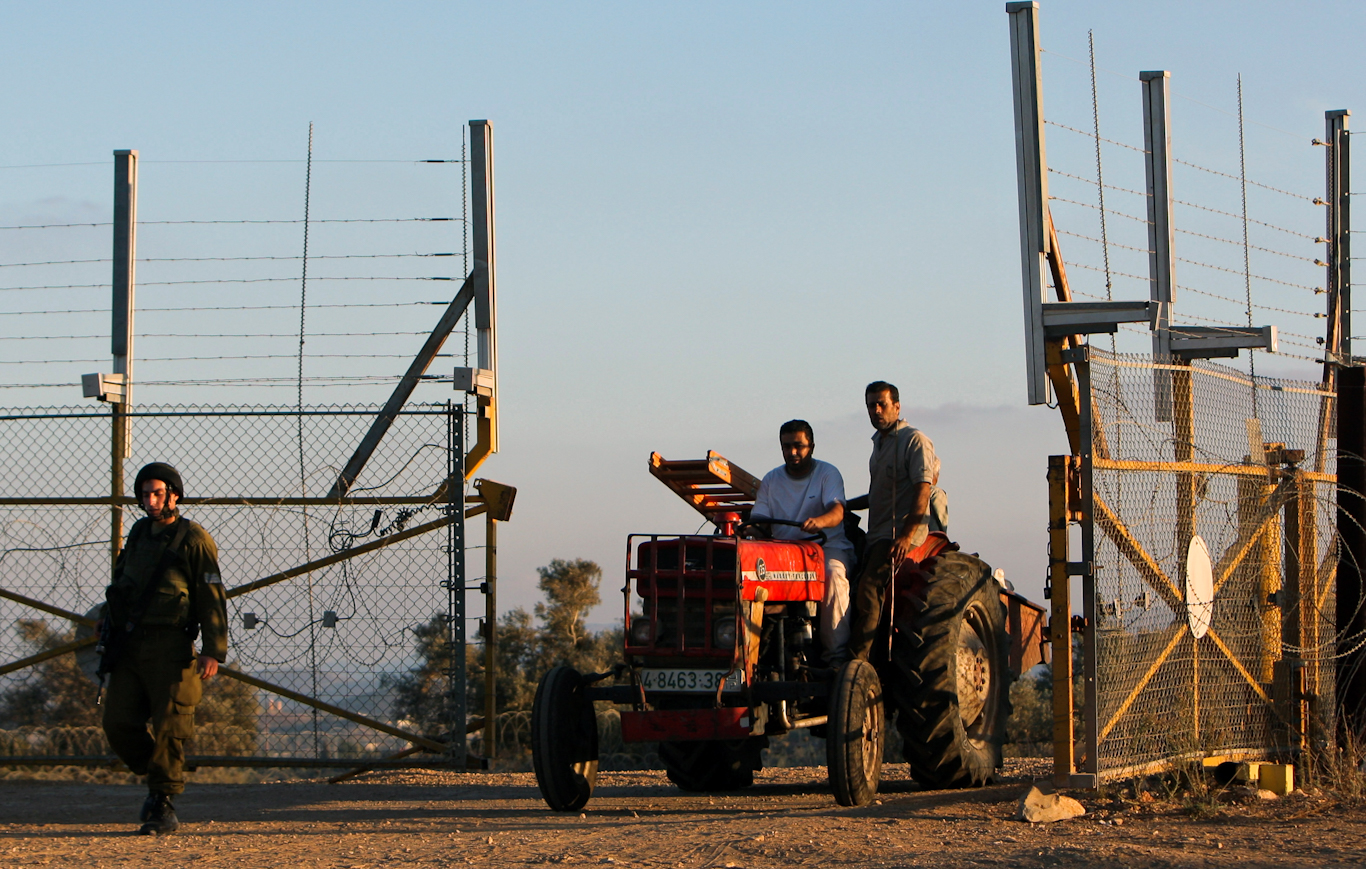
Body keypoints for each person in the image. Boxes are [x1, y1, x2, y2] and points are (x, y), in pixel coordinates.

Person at [100, 462, 228, 836]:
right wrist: (108, 619)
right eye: (144, 494)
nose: (150, 501)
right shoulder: (139, 533)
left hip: (171, 645)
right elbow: (123, 583)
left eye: (157, 493)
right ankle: (162, 770)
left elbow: (211, 594)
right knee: (118, 722)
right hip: (129, 643)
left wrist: (212, 649)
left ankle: (163, 800)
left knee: (171, 724)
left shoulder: (193, 538)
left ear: (174, 494)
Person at [846, 381, 949, 661]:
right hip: (875, 534)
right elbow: (877, 495)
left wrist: (905, 536)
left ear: (897, 406)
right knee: (848, 583)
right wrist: (841, 506)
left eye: (882, 404)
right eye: (871, 405)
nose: (876, 410)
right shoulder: (878, 444)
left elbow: (922, 490)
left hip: (898, 535)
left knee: (868, 589)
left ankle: (856, 662)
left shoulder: (914, 440)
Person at [751, 420, 855, 665]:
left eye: (799, 446)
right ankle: (754, 654)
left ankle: (835, 656)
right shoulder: (771, 479)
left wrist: (820, 521)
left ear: (812, 447)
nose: (793, 452)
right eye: (786, 447)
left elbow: (837, 511)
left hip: (824, 546)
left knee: (833, 576)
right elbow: (759, 518)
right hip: (782, 553)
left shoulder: (827, 474)